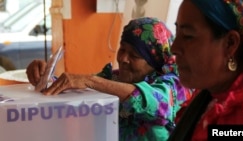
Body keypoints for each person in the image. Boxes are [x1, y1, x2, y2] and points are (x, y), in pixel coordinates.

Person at [26, 17, 192, 141]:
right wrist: (43, 75)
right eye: (122, 49)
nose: (124, 59)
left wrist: (91, 81)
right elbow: (73, 87)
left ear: (154, 61)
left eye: (134, 55)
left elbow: (157, 104)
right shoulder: (114, 78)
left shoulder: (176, 83)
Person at [167, 0, 243, 140]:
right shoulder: (209, 95)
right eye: (177, 33)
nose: (174, 48)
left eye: (188, 36)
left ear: (230, 43)